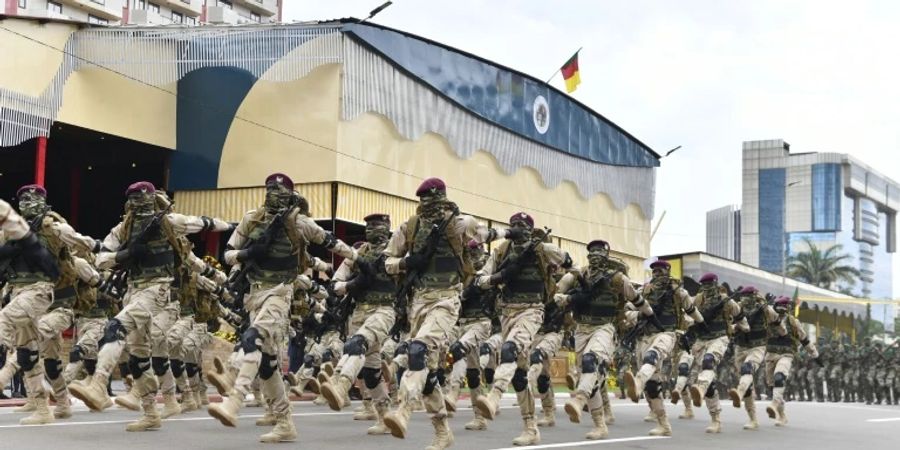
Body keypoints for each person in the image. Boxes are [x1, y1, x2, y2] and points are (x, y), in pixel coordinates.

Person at [206, 173, 357, 443]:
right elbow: (228, 254)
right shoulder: (252, 218)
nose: (273, 192)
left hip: (280, 291)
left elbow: (329, 242)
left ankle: (234, 400)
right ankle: (285, 422)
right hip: (254, 293)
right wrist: (249, 253)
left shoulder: (299, 222)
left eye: (279, 189)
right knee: (267, 364)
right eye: (269, 188)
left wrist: (358, 258)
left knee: (253, 338)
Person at [69, 181, 231, 432]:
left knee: (116, 327)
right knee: (139, 355)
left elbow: (202, 223)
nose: (139, 205)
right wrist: (126, 255)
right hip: (133, 290)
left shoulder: (168, 222)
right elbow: (100, 260)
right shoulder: (123, 228)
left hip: (158, 289)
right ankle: (151, 411)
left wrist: (234, 228)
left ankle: (99, 384)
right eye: (134, 200)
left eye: (143, 199)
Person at [380, 178, 495, 450]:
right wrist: (407, 262)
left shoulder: (459, 224)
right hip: (418, 302)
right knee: (428, 372)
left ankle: (403, 411)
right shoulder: (410, 226)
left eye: (435, 199)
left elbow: (483, 234)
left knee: (417, 351)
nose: (429, 205)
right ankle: (443, 432)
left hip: (447, 299)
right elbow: (387, 262)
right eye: (424, 200)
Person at [471, 213, 571, 446]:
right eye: (514, 225)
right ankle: (530, 428)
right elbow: (480, 278)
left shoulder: (540, 249)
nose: (518, 229)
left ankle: (494, 396)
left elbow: (567, 260)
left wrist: (549, 249)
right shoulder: (502, 250)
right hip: (507, 312)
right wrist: (498, 277)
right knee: (519, 374)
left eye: (523, 226)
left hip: (532, 310)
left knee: (509, 350)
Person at [555, 240, 649, 440]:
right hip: (581, 329)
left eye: (599, 252)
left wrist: (648, 313)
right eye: (592, 252)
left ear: (606, 256)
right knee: (591, 378)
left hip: (604, 327)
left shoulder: (617, 278)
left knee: (590, 362)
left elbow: (635, 298)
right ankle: (600, 425)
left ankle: (579, 401)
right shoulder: (578, 274)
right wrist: (559, 295)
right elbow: (559, 288)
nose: (595, 255)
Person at [319, 213, 399, 436]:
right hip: (358, 312)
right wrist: (353, 284)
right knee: (371, 371)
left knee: (356, 344)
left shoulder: (396, 251)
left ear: (388, 227)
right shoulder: (356, 255)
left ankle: (341, 384)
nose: (373, 228)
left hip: (384, 310)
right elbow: (335, 284)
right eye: (369, 225)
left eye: (378, 225)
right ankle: (385, 417)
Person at [623, 260, 705, 437]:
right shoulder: (644, 290)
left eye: (661, 271)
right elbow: (627, 309)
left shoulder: (678, 292)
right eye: (655, 271)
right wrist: (638, 314)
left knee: (652, 357)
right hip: (645, 335)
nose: (657, 274)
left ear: (668, 271)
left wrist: (701, 323)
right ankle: (664, 424)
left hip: (667, 333)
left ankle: (638, 381)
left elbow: (691, 311)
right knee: (653, 385)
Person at [727, 286, 777, 430]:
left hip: (758, 346)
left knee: (747, 369)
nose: (744, 298)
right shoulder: (737, 308)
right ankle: (753, 418)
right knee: (746, 381)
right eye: (742, 296)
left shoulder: (763, 308)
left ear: (754, 295)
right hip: (740, 347)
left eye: (748, 295)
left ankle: (739, 392)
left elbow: (775, 318)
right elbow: (729, 323)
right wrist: (736, 326)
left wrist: (766, 306)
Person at [764, 295, 818, 426]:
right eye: (778, 306)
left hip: (786, 355)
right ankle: (781, 415)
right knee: (773, 387)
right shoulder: (767, 319)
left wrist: (815, 354)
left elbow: (804, 339)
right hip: (770, 355)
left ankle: (774, 405)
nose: (780, 309)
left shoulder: (793, 322)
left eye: (783, 306)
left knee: (779, 378)